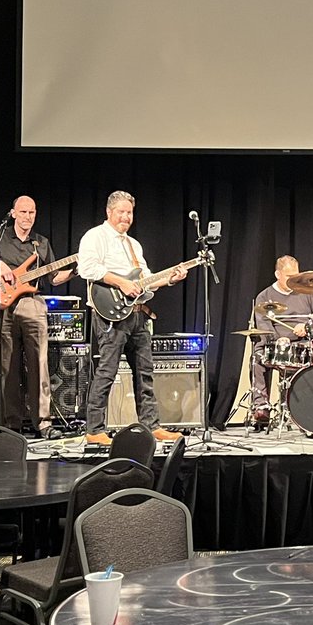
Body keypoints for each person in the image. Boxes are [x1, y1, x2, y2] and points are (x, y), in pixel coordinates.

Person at [77, 190, 185, 445]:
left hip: (137, 315)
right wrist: (122, 283)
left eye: (130, 212)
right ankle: (94, 429)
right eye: (121, 212)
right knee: (107, 371)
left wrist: (169, 278)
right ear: (109, 212)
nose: (126, 217)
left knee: (144, 372)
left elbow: (146, 281)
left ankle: (151, 424)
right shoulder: (95, 236)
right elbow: (87, 268)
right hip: (110, 315)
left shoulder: (133, 245)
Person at [0, 195, 73, 439]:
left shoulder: (41, 243)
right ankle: (11, 425)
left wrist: (75, 270)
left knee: (39, 364)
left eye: (32, 212)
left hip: (32, 303)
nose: (28, 216)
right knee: (7, 368)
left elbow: (54, 277)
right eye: (24, 212)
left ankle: (43, 423)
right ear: (14, 213)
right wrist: (1, 266)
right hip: (3, 305)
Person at [250, 256, 313, 430]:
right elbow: (263, 325)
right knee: (257, 359)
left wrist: (307, 326)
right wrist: (277, 339)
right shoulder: (264, 296)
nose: (293, 280)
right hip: (274, 344)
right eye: (288, 276)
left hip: (302, 343)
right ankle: (261, 407)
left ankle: (309, 408)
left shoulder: (307, 292)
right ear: (277, 274)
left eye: (296, 275)